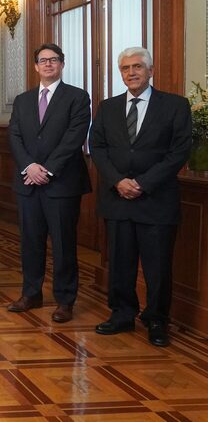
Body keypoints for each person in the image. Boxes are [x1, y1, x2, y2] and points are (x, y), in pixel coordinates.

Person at [89, 47, 192, 347]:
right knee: (120, 263)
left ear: (151, 71)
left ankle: (157, 319)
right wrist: (118, 181)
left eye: (137, 67)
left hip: (156, 200)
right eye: (125, 68)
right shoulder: (108, 107)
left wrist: (143, 183)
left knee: (157, 267)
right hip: (117, 198)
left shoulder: (175, 105)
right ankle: (122, 314)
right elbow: (98, 148)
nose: (131, 73)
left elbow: (179, 152)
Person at [7, 43, 91, 323]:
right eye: (43, 60)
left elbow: (74, 137)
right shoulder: (23, 100)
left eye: (53, 60)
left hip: (62, 184)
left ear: (62, 64)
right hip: (28, 182)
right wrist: (30, 167)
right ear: (35, 66)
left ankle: (65, 300)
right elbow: (14, 136)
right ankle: (31, 293)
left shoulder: (77, 97)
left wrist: (48, 169)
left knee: (64, 245)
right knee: (30, 242)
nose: (48, 64)